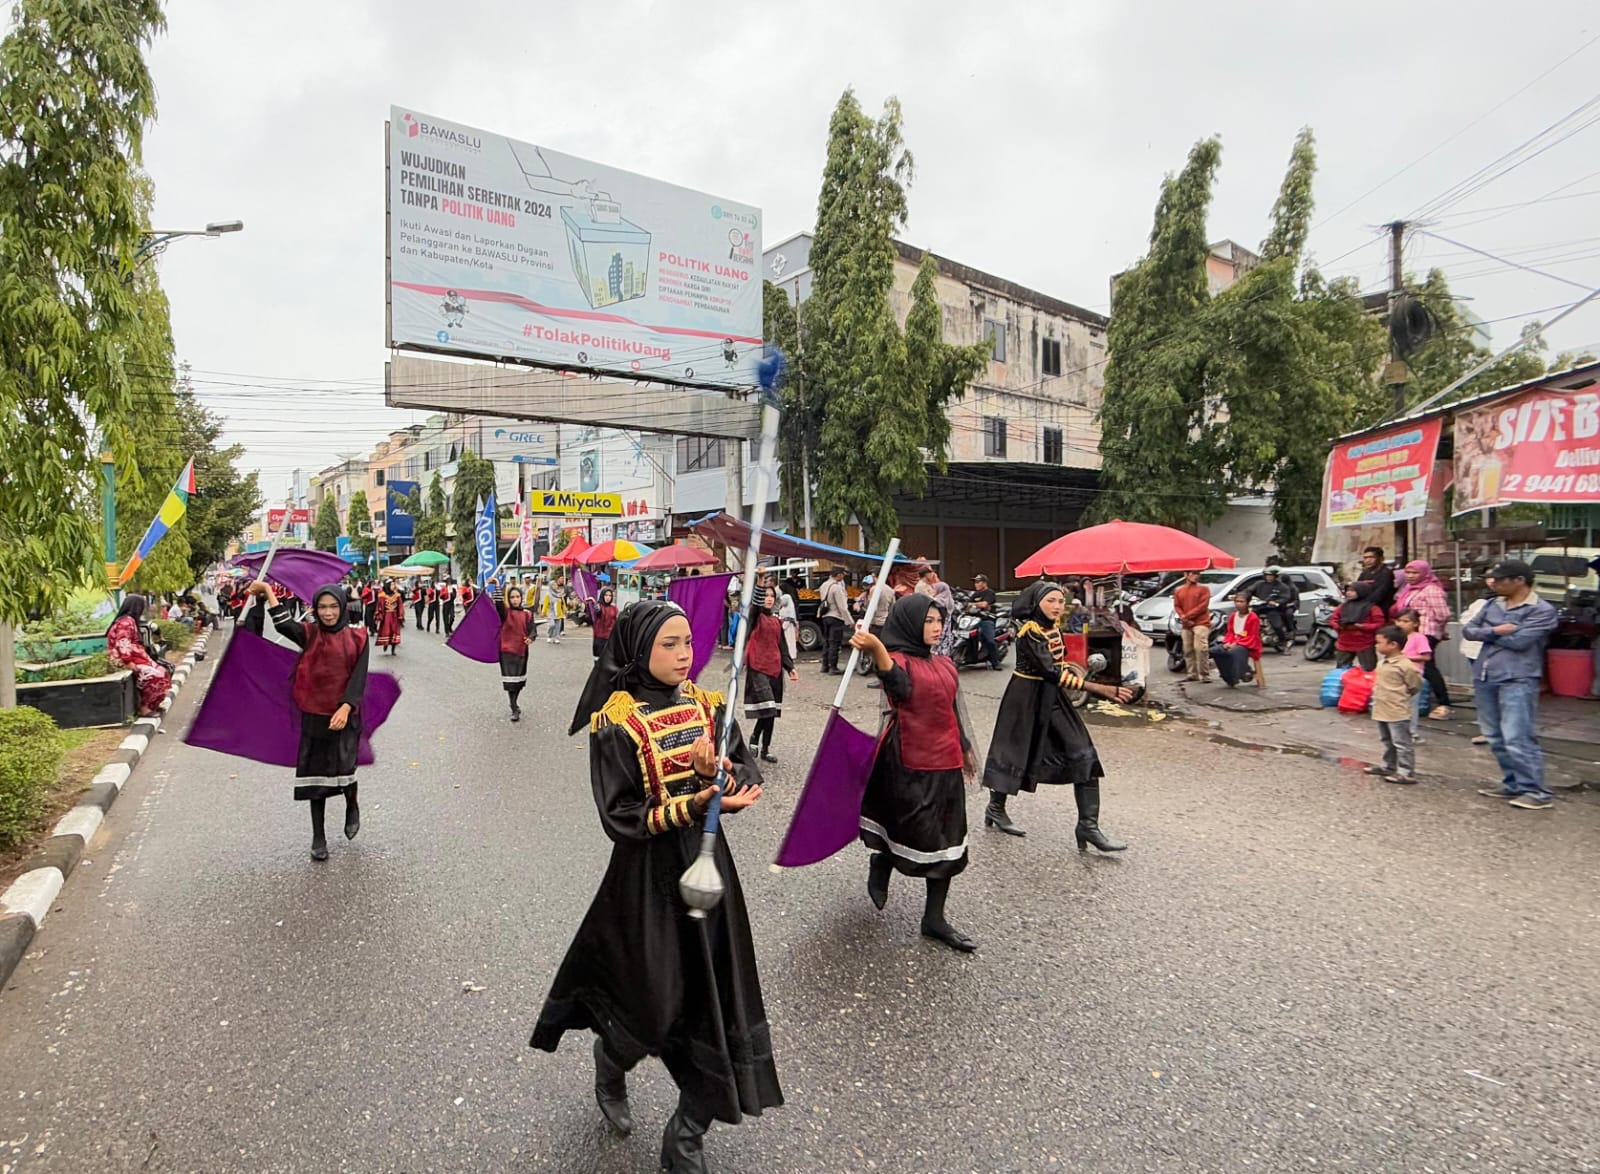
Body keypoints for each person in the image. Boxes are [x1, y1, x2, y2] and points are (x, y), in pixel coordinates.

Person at [533, 601, 780, 1170]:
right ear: (640, 649)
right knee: (652, 1002)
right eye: (669, 644)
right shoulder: (616, 721)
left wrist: (715, 776)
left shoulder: (710, 706)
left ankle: (688, 1132)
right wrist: (691, 800)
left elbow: (744, 772)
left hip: (708, 873)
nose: (683, 654)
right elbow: (618, 815)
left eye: (688, 642)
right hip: (644, 882)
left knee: (716, 1004)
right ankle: (611, 1056)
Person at [850, 594, 978, 952]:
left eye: (940, 621)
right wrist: (876, 648)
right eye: (929, 622)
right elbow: (899, 688)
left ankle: (934, 919)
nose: (937, 628)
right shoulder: (899, 663)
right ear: (910, 623)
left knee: (948, 841)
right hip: (907, 762)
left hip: (947, 763)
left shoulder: (946, 664)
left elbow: (951, 710)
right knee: (912, 830)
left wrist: (965, 748)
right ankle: (883, 860)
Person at [982, 581, 1135, 845]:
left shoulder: (1053, 628)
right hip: (1025, 698)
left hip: (1052, 697)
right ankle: (995, 808)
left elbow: (1060, 667)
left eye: (1060, 601)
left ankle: (1088, 826)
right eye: (1050, 601)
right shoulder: (1030, 632)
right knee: (1014, 753)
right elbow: (1051, 672)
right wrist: (1099, 688)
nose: (1057, 606)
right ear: (1037, 603)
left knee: (1083, 752)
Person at [242, 580, 369, 861]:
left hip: (345, 715)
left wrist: (346, 708)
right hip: (314, 714)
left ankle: (352, 805)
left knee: (345, 770)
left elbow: (359, 678)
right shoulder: (309, 634)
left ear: (342, 607)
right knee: (315, 778)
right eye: (322, 607)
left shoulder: (359, 638)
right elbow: (283, 625)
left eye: (333, 606)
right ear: (315, 609)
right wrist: (268, 591)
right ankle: (318, 836)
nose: (327, 613)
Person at [1462, 560, 1560, 811]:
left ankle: (1535, 790)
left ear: (1519, 581)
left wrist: (1488, 633)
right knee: (1494, 735)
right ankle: (1513, 783)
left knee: (1517, 735)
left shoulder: (1542, 610)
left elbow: (1521, 642)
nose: (1494, 583)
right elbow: (1469, 631)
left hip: (1518, 676)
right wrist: (1498, 630)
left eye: (1501, 579)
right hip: (1485, 674)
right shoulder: (1493, 604)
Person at [743, 576, 797, 763]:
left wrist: (790, 667)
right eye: (765, 595)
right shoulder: (755, 616)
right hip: (758, 667)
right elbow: (756, 604)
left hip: (775, 668)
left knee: (772, 711)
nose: (768, 598)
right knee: (768, 708)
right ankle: (755, 739)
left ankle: (764, 748)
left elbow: (782, 645)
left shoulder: (776, 621)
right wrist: (758, 581)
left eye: (771, 596)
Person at [1392, 559, 1453, 719]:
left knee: (1427, 667)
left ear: (1425, 573)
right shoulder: (1410, 589)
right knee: (1414, 667)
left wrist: (1438, 629)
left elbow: (1443, 614)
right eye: (1408, 572)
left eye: (1415, 573)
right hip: (1410, 633)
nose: (1411, 576)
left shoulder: (1431, 590)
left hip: (1426, 632)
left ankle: (1444, 703)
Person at [1364, 625, 1422, 785]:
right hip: (1381, 708)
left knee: (1401, 742)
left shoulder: (1405, 665)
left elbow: (1415, 685)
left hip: (1397, 710)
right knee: (1387, 740)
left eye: (1379, 642)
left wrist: (1402, 696)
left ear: (1393, 645)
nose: (1376, 645)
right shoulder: (1383, 663)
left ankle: (1406, 771)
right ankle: (1388, 766)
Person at [105, 595, 171, 717]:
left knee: (163, 672)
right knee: (155, 676)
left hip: (136, 657)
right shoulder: (126, 622)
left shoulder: (129, 621)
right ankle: (144, 707)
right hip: (124, 659)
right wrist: (128, 661)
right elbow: (123, 642)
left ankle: (152, 705)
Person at [1457, 579, 1494, 746]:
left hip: (1496, 652)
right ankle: (1488, 730)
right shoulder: (1481, 603)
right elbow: (1466, 621)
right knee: (1483, 689)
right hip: (1475, 650)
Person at [495, 585, 536, 722]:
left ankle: (514, 702)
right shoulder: (505, 613)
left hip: (522, 651)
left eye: (517, 596)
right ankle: (513, 707)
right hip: (507, 651)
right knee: (510, 681)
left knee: (519, 681)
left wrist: (531, 638)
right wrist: (496, 586)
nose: (515, 600)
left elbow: (532, 630)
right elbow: (499, 604)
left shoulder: (527, 614)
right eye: (512, 597)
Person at [1173, 568, 1214, 683]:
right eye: (1193, 574)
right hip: (1186, 624)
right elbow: (1177, 605)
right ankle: (1192, 674)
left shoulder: (1204, 589)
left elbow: (1202, 606)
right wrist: (1183, 617)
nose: (1196, 576)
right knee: (1187, 649)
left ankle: (1204, 674)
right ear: (1185, 574)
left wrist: (1186, 617)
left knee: (1201, 648)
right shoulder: (1178, 590)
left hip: (1201, 622)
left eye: (1198, 574)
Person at [1219, 591, 1265, 689]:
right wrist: (1228, 642)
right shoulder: (1233, 616)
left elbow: (1252, 636)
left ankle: (1241, 672)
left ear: (1247, 603)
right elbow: (1230, 632)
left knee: (1233, 652)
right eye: (1237, 601)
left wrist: (1236, 643)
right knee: (1215, 651)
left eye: (1242, 602)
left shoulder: (1253, 618)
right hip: (1234, 641)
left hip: (1248, 643)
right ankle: (1227, 675)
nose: (1238, 604)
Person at [1335, 582, 1385, 671]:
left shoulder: (1372, 608)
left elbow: (1379, 623)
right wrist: (1339, 627)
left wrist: (1362, 626)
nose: (1348, 593)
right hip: (1344, 642)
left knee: (1369, 669)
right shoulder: (1342, 607)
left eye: (1353, 591)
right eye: (1348, 590)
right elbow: (1333, 619)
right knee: (1341, 669)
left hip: (1364, 643)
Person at [1250, 567, 1299, 650]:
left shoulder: (1282, 587)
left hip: (1272, 609)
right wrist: (1241, 596)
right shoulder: (1259, 584)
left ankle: (1283, 641)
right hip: (1259, 607)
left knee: (1277, 625)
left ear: (1275, 576)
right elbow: (1248, 591)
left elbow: (1285, 597)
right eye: (1267, 575)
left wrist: (1277, 602)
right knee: (1248, 621)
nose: (1269, 577)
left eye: (1271, 575)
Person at [818, 566, 850, 675]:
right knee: (834, 643)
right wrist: (849, 621)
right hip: (835, 617)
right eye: (842, 574)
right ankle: (833, 667)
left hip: (825, 616)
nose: (843, 576)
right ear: (839, 574)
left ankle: (824, 665)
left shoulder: (824, 585)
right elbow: (842, 607)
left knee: (826, 641)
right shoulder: (836, 588)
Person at [970, 574, 1003, 670]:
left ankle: (995, 663)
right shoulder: (975, 594)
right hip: (973, 620)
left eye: (978, 582)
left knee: (990, 641)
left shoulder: (989, 593)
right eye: (975, 582)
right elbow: (967, 605)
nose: (976, 584)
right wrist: (976, 605)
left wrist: (974, 605)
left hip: (986, 619)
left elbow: (985, 604)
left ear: (984, 583)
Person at [1356, 546, 1397, 614]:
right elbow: (1357, 588)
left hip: (1379, 610)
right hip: (1364, 608)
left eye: (1371, 557)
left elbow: (1379, 594)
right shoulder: (1365, 573)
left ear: (1381, 558)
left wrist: (1363, 605)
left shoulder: (1385, 573)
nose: (1368, 560)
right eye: (1365, 558)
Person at [375, 580, 404, 654]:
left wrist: (400, 615)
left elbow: (400, 606)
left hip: (394, 616)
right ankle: (386, 643)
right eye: (391, 584)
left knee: (395, 632)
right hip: (386, 617)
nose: (393, 586)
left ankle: (393, 649)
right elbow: (380, 606)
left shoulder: (397, 595)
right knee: (387, 631)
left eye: (394, 584)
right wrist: (379, 615)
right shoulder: (382, 595)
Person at [591, 586, 618, 660]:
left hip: (610, 638)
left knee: (608, 660)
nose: (608, 597)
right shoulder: (599, 606)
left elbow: (616, 622)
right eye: (606, 595)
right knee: (598, 659)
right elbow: (597, 611)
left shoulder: (614, 608)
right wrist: (594, 603)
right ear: (602, 596)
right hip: (599, 638)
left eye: (610, 595)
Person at [543, 574, 568, 644]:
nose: (555, 586)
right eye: (553, 585)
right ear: (551, 586)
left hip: (559, 613)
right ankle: (549, 636)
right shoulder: (548, 595)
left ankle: (556, 638)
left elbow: (562, 603)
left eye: (555, 585)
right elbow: (545, 604)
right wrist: (543, 612)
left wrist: (565, 609)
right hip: (551, 613)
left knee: (558, 627)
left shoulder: (559, 594)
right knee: (551, 625)